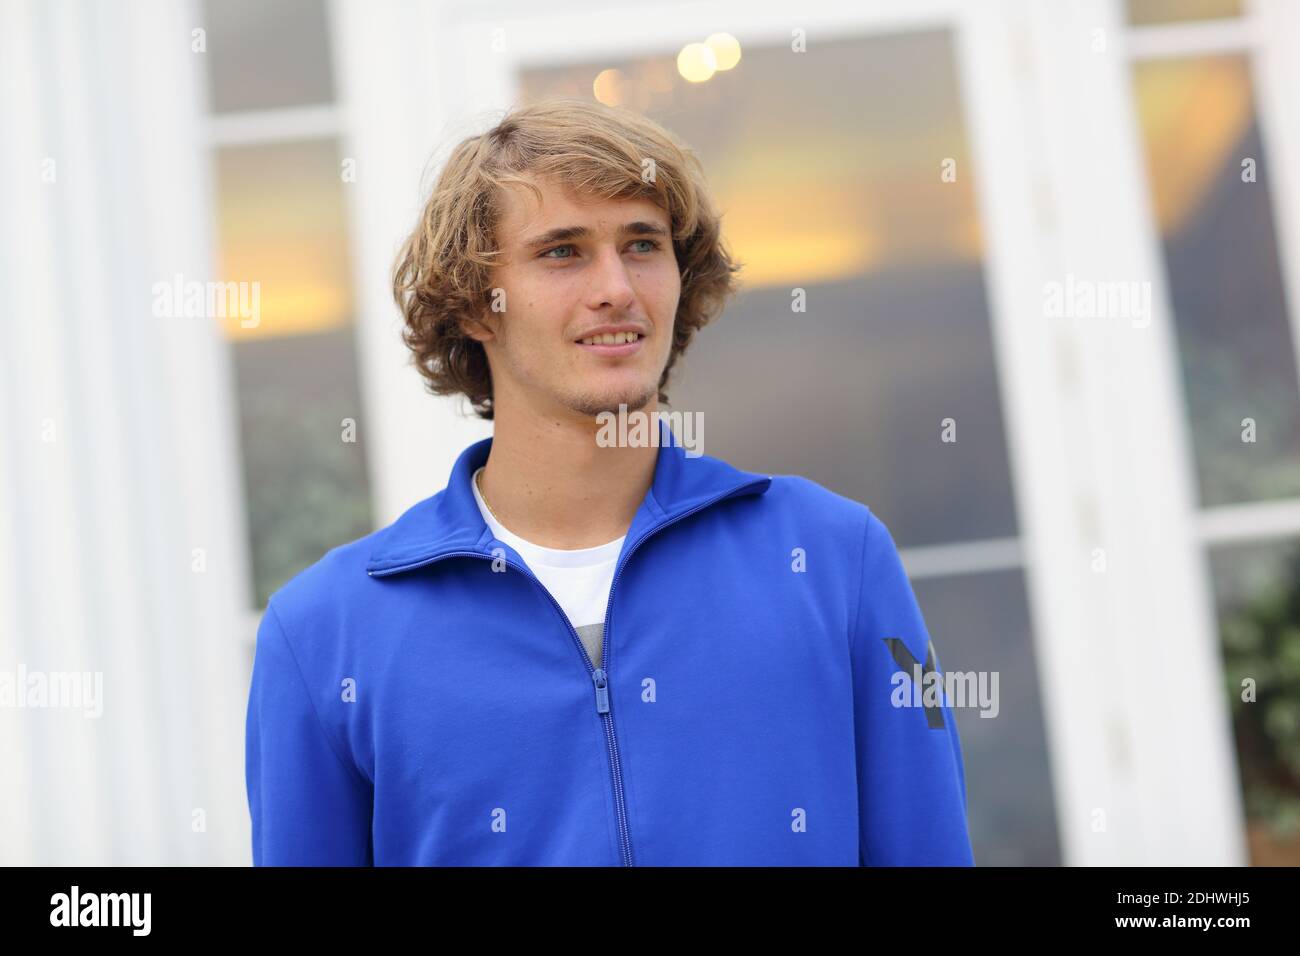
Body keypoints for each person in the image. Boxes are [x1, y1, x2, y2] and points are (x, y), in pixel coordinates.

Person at [245, 98, 975, 866]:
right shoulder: (324, 634)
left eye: (642, 245)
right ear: (472, 306)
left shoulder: (834, 558)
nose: (616, 288)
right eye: (562, 252)